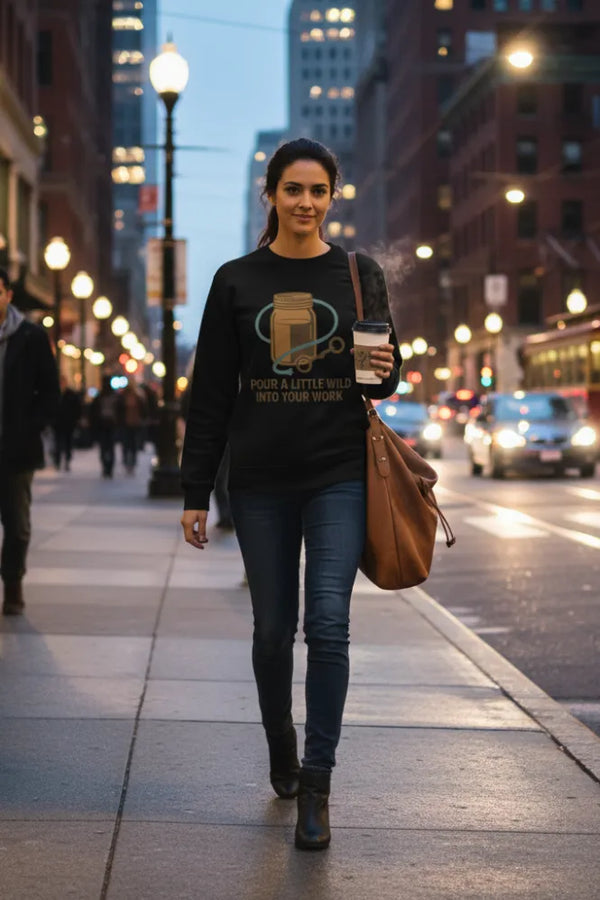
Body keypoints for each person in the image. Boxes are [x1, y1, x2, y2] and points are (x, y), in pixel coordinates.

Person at [180, 139, 401, 850]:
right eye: (293, 190)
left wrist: (388, 365)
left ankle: (317, 781)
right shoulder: (237, 280)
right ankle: (280, 735)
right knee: (273, 631)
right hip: (262, 482)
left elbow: (379, 382)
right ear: (270, 195)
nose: (306, 202)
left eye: (319, 191)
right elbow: (211, 393)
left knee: (328, 625)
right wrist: (194, 491)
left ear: (333, 198)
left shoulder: (357, 275)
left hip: (338, 472)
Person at [0, 268, 59, 615]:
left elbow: (50, 392)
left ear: (8, 294)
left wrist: (31, 426)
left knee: (17, 525)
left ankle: (12, 583)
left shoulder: (31, 337)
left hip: (16, 449)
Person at [90, 375, 118, 478]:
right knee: (107, 447)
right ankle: (107, 468)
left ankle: (108, 468)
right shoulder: (102, 397)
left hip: (108, 424)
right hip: (104, 424)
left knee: (107, 447)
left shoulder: (103, 396)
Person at [116, 377, 147, 474]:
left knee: (131, 443)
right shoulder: (124, 398)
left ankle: (131, 462)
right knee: (127, 443)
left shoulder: (137, 398)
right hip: (126, 424)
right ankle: (127, 461)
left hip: (134, 424)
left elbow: (143, 410)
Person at [52, 374, 81, 471]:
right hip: (57, 423)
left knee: (68, 443)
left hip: (68, 423)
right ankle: (57, 461)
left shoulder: (70, 395)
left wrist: (75, 419)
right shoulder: (55, 394)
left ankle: (67, 460)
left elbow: (77, 408)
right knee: (57, 443)